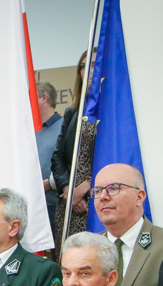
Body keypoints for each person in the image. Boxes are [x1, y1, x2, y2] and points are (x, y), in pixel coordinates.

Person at [51, 51, 94, 249]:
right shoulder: (72, 111)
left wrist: (84, 188)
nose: (89, 71)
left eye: (94, 64)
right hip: (68, 204)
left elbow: (115, 159)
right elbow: (58, 156)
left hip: (97, 199)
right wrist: (68, 189)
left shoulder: (113, 110)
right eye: (84, 66)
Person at [34, 82, 63, 231]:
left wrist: (50, 184)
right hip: (32, 206)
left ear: (44, 98)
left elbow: (71, 163)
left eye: (31, 97)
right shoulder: (29, 130)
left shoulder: (64, 126)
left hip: (56, 206)